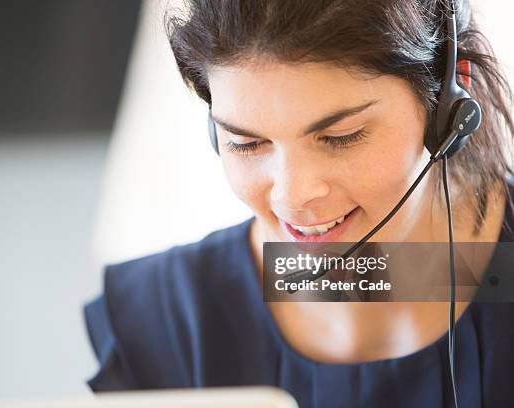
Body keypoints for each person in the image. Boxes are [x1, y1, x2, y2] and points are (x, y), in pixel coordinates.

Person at [83, 0, 514, 406]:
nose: (292, 195)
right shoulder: (161, 324)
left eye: (341, 137)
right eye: (246, 143)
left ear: (447, 104)